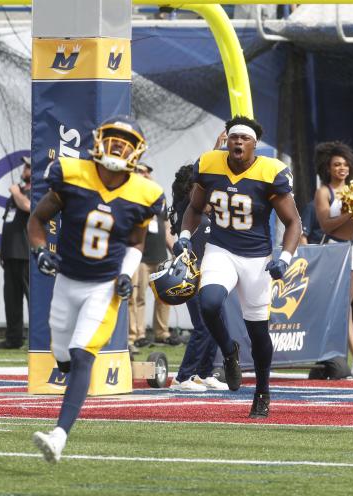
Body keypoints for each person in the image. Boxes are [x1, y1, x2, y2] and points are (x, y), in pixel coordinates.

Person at [30, 116, 164, 464]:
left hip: (103, 287)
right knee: (60, 352)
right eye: (114, 138)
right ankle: (78, 383)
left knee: (81, 352)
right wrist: (41, 249)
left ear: (137, 150)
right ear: (99, 140)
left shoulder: (145, 192)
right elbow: (37, 219)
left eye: (126, 140)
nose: (118, 146)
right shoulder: (72, 174)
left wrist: (126, 274)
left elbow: (136, 243)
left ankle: (59, 435)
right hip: (67, 279)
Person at [177, 115, 303, 419]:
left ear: (253, 145)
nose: (237, 142)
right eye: (233, 137)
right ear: (227, 141)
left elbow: (293, 221)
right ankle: (229, 351)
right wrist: (183, 236)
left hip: (257, 259)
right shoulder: (208, 165)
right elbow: (194, 208)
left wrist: (284, 257)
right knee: (209, 303)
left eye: (244, 138)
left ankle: (262, 391)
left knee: (258, 332)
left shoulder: (270, 172)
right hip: (221, 249)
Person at [313, 140, 353, 379]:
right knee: (337, 306)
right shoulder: (323, 192)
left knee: (346, 305)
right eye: (337, 164)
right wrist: (351, 210)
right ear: (328, 168)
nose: (342, 168)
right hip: (334, 249)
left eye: (345, 164)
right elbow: (325, 224)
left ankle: (345, 358)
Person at [169, 155, 227, 392]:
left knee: (217, 322)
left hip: (211, 273)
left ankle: (203, 373)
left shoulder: (207, 212)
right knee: (203, 326)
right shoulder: (186, 210)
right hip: (192, 275)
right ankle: (182, 377)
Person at [129, 162, 179, 348]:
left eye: (146, 172)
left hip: (159, 255)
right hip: (139, 256)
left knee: (164, 296)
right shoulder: (131, 195)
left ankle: (161, 332)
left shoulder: (158, 198)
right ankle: (136, 335)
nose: (143, 174)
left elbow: (166, 229)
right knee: (136, 297)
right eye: (139, 171)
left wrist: (175, 251)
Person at [0, 156, 31, 350]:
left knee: (32, 298)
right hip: (10, 253)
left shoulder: (38, 189)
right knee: (11, 299)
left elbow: (28, 207)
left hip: (26, 253)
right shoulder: (18, 191)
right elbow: (8, 221)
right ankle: (13, 338)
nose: (25, 169)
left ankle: (39, 339)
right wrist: (2, 251)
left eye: (29, 166)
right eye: (25, 165)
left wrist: (16, 192)